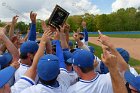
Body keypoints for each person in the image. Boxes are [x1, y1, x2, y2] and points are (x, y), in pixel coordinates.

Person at [11, 21, 72, 93]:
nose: (41, 53)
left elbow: (48, 53)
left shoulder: (17, 65)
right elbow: (55, 56)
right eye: (38, 52)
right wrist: (54, 40)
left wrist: (44, 39)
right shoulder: (64, 82)